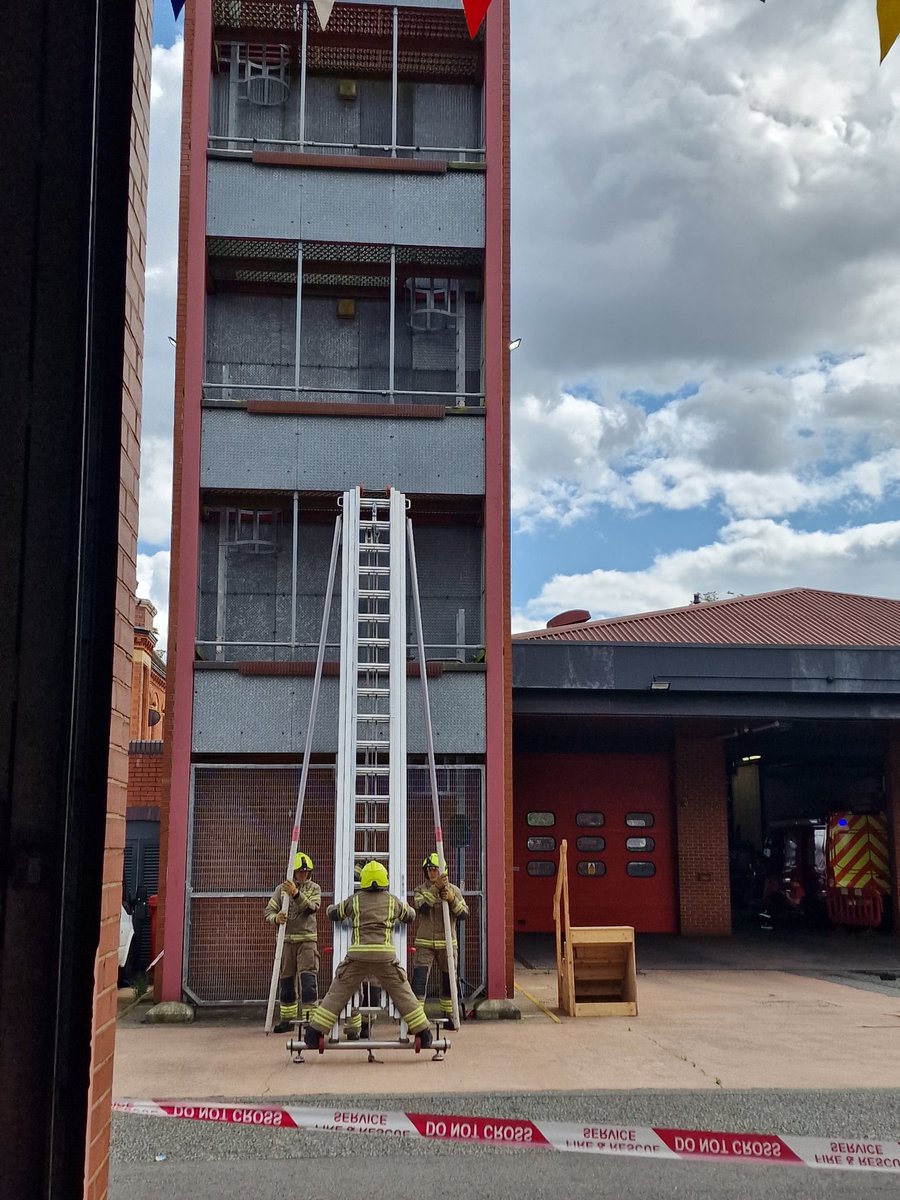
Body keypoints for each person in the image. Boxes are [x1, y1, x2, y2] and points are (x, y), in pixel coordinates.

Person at [304, 860, 433, 1050]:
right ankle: (424, 1033)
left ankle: (314, 1033)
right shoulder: (392, 900)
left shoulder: (355, 900)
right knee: (403, 992)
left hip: (358, 957)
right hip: (385, 957)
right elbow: (410, 916)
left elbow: (334, 913)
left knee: (338, 991)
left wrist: (330, 909)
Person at [265, 851, 321, 1034]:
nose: (303, 875)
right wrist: (276, 918)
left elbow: (312, 908)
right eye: (299, 871)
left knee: (308, 981)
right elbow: (269, 912)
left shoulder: (314, 888)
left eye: (306, 872)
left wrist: (296, 894)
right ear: (293, 872)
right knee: (287, 982)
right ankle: (287, 1019)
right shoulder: (281, 890)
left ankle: (309, 1020)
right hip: (287, 942)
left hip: (307, 941)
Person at [411, 852, 468, 1030]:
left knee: (448, 981)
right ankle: (417, 1021)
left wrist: (451, 899)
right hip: (425, 943)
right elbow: (423, 909)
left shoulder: (454, 890)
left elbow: (464, 914)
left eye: (435, 869)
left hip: (448, 944)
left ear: (443, 871)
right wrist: (435, 889)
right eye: (429, 870)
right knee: (419, 981)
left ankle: (450, 1016)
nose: (431, 873)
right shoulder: (420, 890)